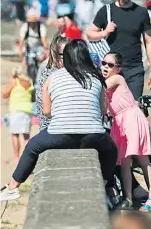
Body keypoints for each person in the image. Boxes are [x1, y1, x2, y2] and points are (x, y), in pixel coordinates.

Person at [0, 40, 118, 202]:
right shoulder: (96, 78)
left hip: (60, 135)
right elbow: (104, 110)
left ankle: (12, 187)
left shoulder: (52, 77)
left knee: (32, 147)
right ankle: (105, 188)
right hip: (93, 135)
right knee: (111, 151)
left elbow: (47, 112)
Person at [102, 52, 151, 212]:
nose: (106, 67)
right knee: (125, 162)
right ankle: (128, 198)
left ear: (118, 69)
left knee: (142, 158)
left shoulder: (117, 79)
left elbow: (102, 86)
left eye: (110, 65)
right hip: (119, 122)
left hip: (131, 118)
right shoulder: (107, 81)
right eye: (104, 63)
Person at [87, 0, 151, 99]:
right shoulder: (106, 11)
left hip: (134, 68)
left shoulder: (141, 12)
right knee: (112, 108)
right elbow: (90, 34)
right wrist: (104, 33)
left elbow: (149, 41)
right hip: (112, 68)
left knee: (134, 106)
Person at [35, 34, 71, 131]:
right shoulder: (49, 75)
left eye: (70, 53)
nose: (69, 58)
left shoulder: (75, 73)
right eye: (64, 55)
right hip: (50, 127)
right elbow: (46, 112)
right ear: (54, 55)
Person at [2, 67, 34, 164]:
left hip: (15, 110)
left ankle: (16, 157)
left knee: (15, 134)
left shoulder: (14, 81)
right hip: (27, 110)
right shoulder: (29, 82)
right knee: (26, 135)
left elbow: (4, 94)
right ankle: (29, 157)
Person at [17, 9, 49, 77]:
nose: (32, 24)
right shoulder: (25, 26)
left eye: (33, 22)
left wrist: (46, 50)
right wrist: (20, 51)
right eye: (30, 22)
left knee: (42, 61)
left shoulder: (41, 27)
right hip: (29, 47)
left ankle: (40, 75)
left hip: (39, 46)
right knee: (27, 62)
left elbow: (44, 40)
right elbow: (21, 40)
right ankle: (29, 74)